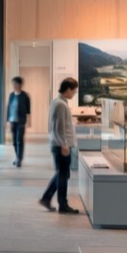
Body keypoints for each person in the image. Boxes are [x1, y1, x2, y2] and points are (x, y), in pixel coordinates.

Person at [41, 76, 81, 214]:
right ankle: (62, 205)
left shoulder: (58, 102)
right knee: (63, 175)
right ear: (68, 89)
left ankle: (47, 198)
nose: (74, 93)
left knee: (62, 174)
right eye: (74, 91)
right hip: (61, 145)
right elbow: (59, 127)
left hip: (59, 144)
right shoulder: (60, 104)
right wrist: (64, 145)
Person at [6, 76, 31, 167]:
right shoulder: (11, 95)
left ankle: (19, 159)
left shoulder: (25, 96)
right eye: (13, 84)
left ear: (20, 84)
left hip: (21, 121)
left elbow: (28, 110)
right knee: (14, 141)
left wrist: (28, 121)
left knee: (19, 140)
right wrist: (7, 121)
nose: (14, 85)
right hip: (12, 121)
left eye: (15, 84)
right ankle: (18, 157)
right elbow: (8, 108)